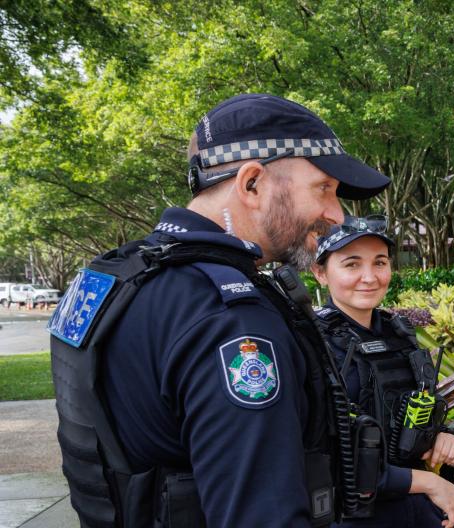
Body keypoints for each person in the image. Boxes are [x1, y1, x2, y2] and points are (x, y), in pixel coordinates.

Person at [48, 93, 394, 527]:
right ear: (252, 184)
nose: (338, 215)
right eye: (324, 188)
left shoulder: (109, 279)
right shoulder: (231, 318)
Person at [310, 215, 454, 527]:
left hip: (413, 506)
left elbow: (412, 409)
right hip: (352, 513)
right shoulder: (310, 343)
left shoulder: (399, 335)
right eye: (352, 264)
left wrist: (442, 437)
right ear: (320, 273)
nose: (369, 277)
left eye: (379, 262)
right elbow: (323, 455)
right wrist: (429, 483)